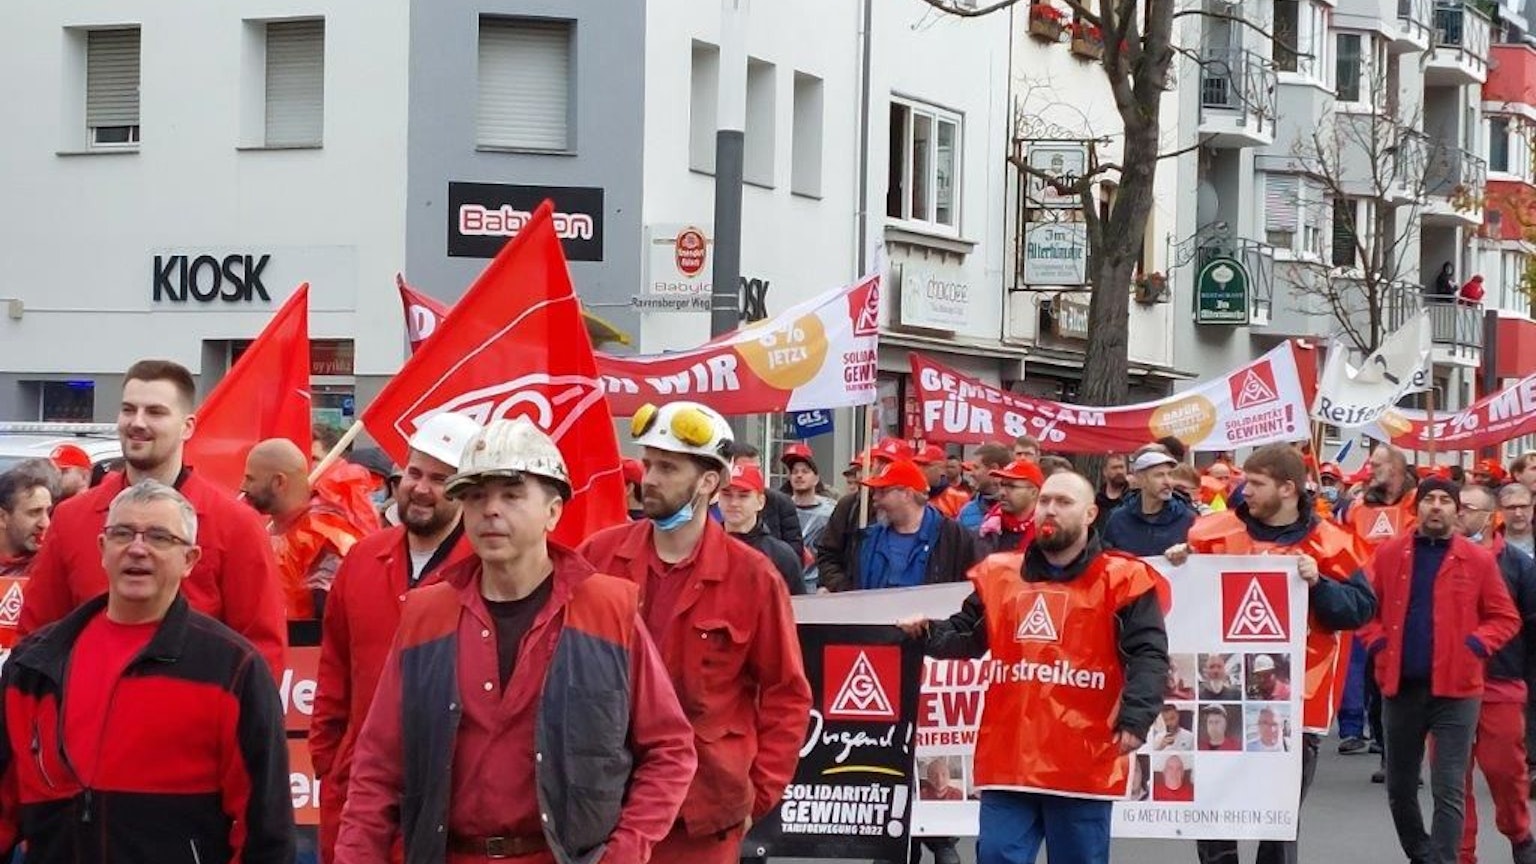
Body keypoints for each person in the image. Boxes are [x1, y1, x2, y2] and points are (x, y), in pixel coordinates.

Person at [335, 418, 697, 864]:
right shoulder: (426, 614)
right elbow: (377, 767)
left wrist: (624, 853)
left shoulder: (607, 609)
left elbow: (670, 751)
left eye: (511, 495)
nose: (490, 510)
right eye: (476, 497)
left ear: (553, 511)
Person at [0, 480, 294, 863]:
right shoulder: (35, 665)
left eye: (159, 537)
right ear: (103, 550)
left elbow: (265, 829)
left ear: (190, 560)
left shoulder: (233, 670)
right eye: (122, 533)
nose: (137, 549)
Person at [577, 401, 811, 863]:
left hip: (702, 815)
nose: (650, 478)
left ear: (708, 482)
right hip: (604, 806)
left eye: (668, 467)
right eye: (648, 464)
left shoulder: (753, 577)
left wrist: (757, 795)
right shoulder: (598, 559)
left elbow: (786, 695)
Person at [899, 471, 1170, 863]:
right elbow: (966, 635)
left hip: (1083, 759)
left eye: (1063, 503)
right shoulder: (1000, 576)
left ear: (1091, 513)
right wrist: (925, 632)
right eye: (1045, 501)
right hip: (1011, 757)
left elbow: (1148, 652)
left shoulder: (1122, 579)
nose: (1050, 510)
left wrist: (1137, 716)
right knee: (995, 856)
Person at [1167, 444, 1376, 864]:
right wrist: (1179, 564)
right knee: (1212, 814)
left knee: (1277, 824)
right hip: (1221, 696)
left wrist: (1320, 585)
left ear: (1287, 488)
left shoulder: (1332, 543)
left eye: (1257, 484)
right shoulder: (1209, 533)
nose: (1245, 492)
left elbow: (1360, 611)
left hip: (1296, 706)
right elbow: (1184, 600)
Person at [19, 359, 287, 677]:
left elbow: (262, 652)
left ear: (188, 426)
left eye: (155, 412)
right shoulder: (71, 519)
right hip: (84, 719)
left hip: (192, 718)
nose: (138, 422)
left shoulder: (236, 525)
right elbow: (36, 640)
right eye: (129, 410)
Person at [309, 412, 481, 864]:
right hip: (359, 791)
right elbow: (334, 669)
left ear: (467, 490)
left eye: (441, 479)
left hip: (450, 796)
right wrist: (328, 762)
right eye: (415, 474)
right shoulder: (364, 559)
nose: (421, 488)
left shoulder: (486, 569)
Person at [1358, 476, 1522, 864]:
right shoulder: (1389, 554)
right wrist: (1379, 643)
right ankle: (1421, 852)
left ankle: (1445, 859)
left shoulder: (1478, 559)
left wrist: (1476, 645)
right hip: (1401, 687)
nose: (1436, 506)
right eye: (1428, 499)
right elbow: (1364, 608)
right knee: (1399, 787)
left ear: (1456, 510)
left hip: (1458, 691)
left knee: (1449, 788)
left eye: (1444, 501)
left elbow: (1505, 617)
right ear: (1417, 509)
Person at [1456, 483, 1536, 864]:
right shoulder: (1437, 557)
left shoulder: (1520, 567)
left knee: (1505, 774)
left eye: (1468, 509)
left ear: (1490, 517)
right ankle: (1461, 853)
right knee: (1452, 781)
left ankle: (1519, 834)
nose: (1458, 515)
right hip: (1448, 688)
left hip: (1501, 684)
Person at [240, 438, 370, 621]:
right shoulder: (266, 527)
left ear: (279, 482)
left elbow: (330, 617)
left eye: (250, 479)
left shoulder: (324, 533)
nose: (243, 487)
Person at [827, 460, 979, 592]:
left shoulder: (952, 538)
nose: (875, 498)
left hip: (928, 625)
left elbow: (971, 593)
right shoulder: (866, 538)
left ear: (907, 494)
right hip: (875, 624)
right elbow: (839, 569)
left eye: (882, 492)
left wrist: (938, 625)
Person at [816, 438, 915, 589]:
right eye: (879, 462)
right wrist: (842, 587)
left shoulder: (919, 515)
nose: (882, 468)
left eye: (889, 463)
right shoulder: (849, 506)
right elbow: (827, 554)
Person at [720, 463, 806, 596]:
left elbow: (798, 608)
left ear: (760, 502)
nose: (733, 503)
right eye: (727, 494)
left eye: (743, 496)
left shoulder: (781, 555)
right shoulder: (700, 548)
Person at [1103, 450, 1197, 557]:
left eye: (1170, 475)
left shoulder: (1188, 519)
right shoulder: (1118, 520)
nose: (1168, 482)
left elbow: (1202, 560)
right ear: (1140, 479)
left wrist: (1189, 551)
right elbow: (1108, 562)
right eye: (1159, 475)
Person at [723, 442, 805, 559]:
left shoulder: (781, 502)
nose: (734, 502)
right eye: (746, 469)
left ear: (761, 501)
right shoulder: (712, 503)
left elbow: (794, 551)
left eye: (757, 469)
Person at [781, 443, 837, 590]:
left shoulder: (831, 512)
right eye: (794, 472)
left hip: (817, 587)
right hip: (787, 584)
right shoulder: (779, 508)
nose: (799, 475)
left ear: (816, 478)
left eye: (805, 471)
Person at [974, 459, 1043, 557]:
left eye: (1011, 486)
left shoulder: (1046, 535)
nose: (1002, 492)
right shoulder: (987, 528)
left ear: (1034, 493)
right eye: (1002, 485)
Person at [0, 461, 55, 582]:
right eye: (34, 512)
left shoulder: (52, 566)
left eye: (48, 512)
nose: (45, 523)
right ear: (2, 517)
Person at [958, 443, 1013, 533]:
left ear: (994, 469)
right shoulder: (966, 512)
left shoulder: (1019, 512)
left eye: (976, 467)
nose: (971, 473)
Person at [916, 444, 970, 519]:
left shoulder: (959, 498)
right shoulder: (909, 495)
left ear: (941, 468)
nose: (919, 469)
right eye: (917, 464)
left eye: (925, 465)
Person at [1093, 454, 1130, 535]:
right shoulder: (1096, 502)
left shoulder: (1134, 500)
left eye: (1121, 467)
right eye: (1114, 468)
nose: (1119, 471)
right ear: (1105, 472)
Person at [1501, 483, 1536, 559]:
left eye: (1523, 507)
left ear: (1532, 507)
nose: (1518, 514)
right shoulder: (1489, 542)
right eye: (1511, 508)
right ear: (1500, 509)